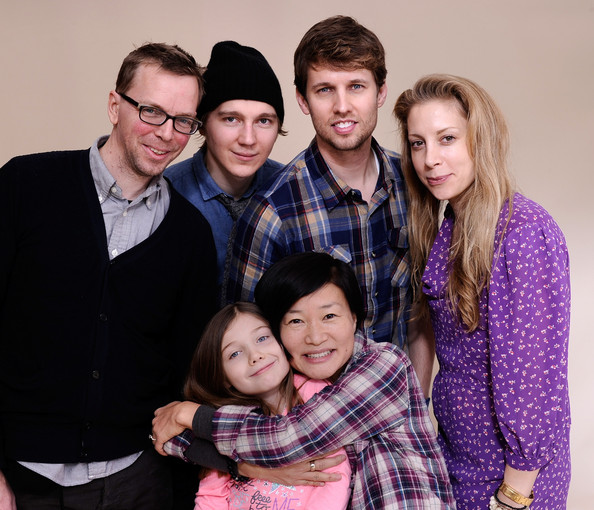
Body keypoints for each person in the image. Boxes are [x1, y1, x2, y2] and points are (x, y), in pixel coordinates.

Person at [0, 43, 218, 509]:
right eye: (152, 111)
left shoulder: (190, 236)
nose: (167, 134)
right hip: (20, 471)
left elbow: (187, 375)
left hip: (133, 479)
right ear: (114, 106)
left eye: (184, 121)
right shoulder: (25, 185)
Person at [223, 16, 434, 393]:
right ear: (303, 100)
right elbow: (245, 348)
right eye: (324, 90)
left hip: (400, 417)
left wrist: (415, 405)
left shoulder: (415, 186)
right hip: (315, 429)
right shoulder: (272, 214)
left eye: (356, 86)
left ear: (380, 91)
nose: (342, 106)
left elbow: (420, 313)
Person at [153, 252, 456, 509]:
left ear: (354, 317)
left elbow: (290, 438)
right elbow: (172, 439)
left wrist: (188, 414)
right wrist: (240, 466)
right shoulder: (286, 387)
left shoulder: (382, 365)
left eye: (329, 316)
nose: (314, 337)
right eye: (296, 321)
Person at [393, 74, 571, 509]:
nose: (431, 159)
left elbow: (534, 379)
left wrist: (514, 494)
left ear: (481, 140)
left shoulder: (521, 234)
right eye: (418, 143)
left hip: (506, 477)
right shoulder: (449, 225)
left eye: (447, 139)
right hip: (457, 459)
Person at [164, 302, 351, 509]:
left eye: (262, 338)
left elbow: (335, 475)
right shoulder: (222, 422)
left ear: (282, 343)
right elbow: (211, 495)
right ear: (223, 377)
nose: (255, 356)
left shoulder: (313, 391)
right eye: (234, 354)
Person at [165, 41, 285, 294]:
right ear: (203, 123)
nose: (248, 139)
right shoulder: (166, 195)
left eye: (264, 121)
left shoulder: (290, 189)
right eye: (231, 119)